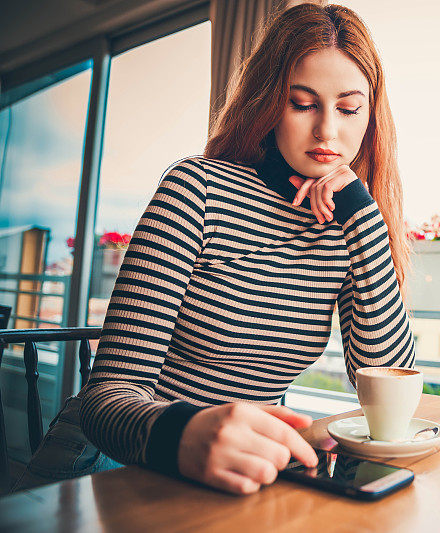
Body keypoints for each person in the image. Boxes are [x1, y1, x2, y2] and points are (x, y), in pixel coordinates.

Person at [14, 3, 415, 495]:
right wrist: (182, 432)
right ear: (269, 103)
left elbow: (385, 386)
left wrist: (366, 220)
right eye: (303, 103)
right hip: (111, 460)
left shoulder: (351, 226)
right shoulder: (196, 190)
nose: (328, 131)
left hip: (228, 477)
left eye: (349, 109)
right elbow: (107, 397)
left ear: (370, 116)